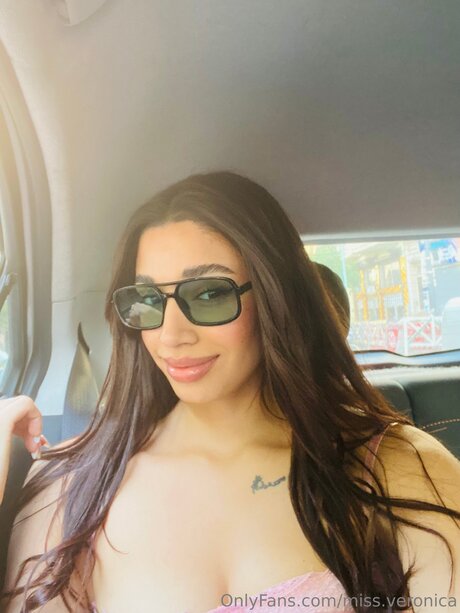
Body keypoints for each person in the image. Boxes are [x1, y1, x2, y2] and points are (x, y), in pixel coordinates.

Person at [1, 171, 459, 613]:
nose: (170, 335)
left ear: (276, 297)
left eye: (209, 295)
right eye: (148, 300)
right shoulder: (72, 487)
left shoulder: (397, 469)